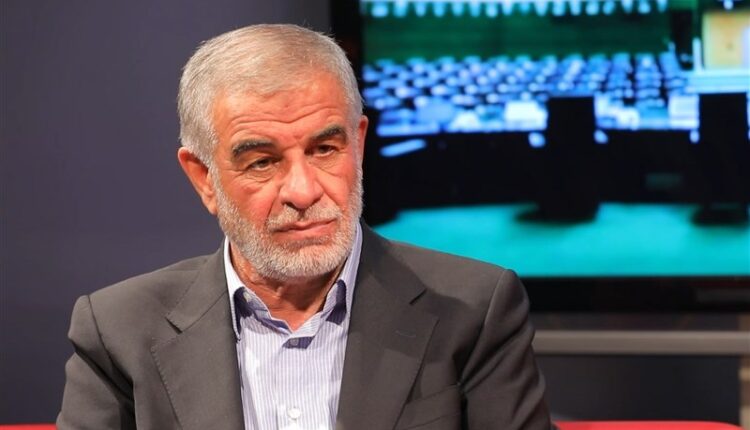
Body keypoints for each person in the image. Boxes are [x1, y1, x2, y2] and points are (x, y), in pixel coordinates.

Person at [58, 24, 552, 430]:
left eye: (324, 149)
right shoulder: (119, 331)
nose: (303, 191)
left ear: (358, 145)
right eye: (262, 161)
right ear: (204, 177)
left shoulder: (475, 310)